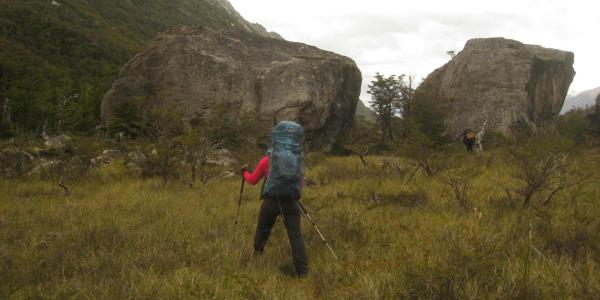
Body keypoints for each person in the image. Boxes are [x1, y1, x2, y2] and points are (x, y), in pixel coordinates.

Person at [242, 122, 308, 277]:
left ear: (275, 141)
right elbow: (301, 183)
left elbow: (252, 180)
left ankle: (257, 259)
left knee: (262, 230)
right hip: (291, 203)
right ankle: (303, 273)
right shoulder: (297, 158)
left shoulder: (266, 160)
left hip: (270, 202)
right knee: (296, 237)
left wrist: (244, 172)